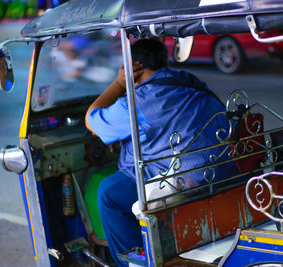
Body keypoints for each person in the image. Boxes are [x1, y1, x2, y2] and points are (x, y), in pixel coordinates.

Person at [85, 38, 237, 266]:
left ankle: (133, 263)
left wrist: (119, 83)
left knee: (108, 193)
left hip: (188, 185)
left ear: (134, 66)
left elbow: (91, 120)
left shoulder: (141, 100)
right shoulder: (189, 82)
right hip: (222, 171)